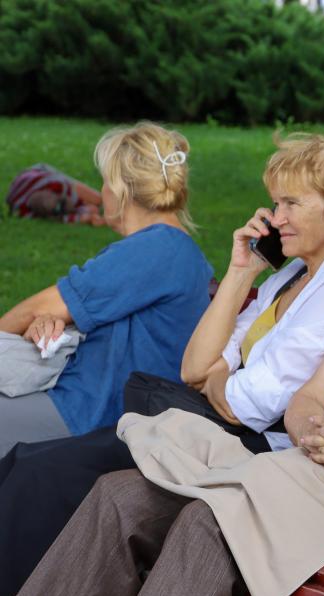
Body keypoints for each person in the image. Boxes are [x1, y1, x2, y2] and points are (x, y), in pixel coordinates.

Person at [19, 130, 324, 596]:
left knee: (207, 524)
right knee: (118, 496)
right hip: (318, 466)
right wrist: (313, 433)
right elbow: (308, 396)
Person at [0, 122, 212, 455]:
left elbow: (37, 307)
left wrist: (39, 319)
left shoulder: (155, 249)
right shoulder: (175, 251)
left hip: (92, 415)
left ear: (121, 188)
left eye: (104, 181)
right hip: (99, 408)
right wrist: (55, 323)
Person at [6, 163, 106, 225]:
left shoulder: (56, 184)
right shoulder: (23, 211)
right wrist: (85, 217)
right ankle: (85, 207)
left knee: (97, 199)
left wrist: (85, 211)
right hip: (28, 185)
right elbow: (58, 219)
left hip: (40, 172)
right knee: (93, 208)